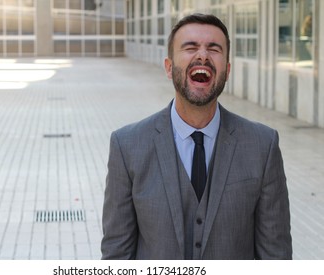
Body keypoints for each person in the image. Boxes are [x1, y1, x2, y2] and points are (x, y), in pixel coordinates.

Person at [101, 13, 292, 260]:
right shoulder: (126, 146)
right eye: (190, 47)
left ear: (227, 70)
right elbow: (117, 256)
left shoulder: (262, 146)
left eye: (214, 49)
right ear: (169, 67)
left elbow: (276, 258)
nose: (202, 56)